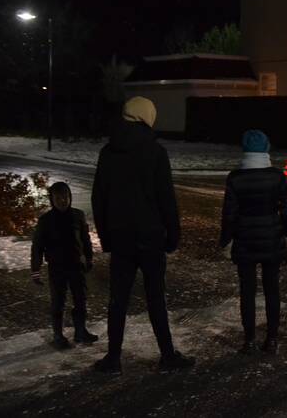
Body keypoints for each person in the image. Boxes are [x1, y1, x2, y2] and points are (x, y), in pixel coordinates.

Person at [91, 96, 194, 374]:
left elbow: (98, 198)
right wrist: (172, 236)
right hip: (151, 237)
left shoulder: (108, 151)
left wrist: (106, 237)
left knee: (118, 299)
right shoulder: (155, 152)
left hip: (121, 236)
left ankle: (113, 358)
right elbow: (166, 200)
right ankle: (167, 355)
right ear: (148, 117)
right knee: (155, 298)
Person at [219, 130, 287, 356]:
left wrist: (226, 239)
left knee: (247, 291)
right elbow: (286, 209)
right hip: (272, 238)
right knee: (272, 290)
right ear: (266, 149)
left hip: (244, 240)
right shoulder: (277, 176)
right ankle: (272, 338)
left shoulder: (235, 178)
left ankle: (249, 339)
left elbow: (229, 213)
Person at [31, 181, 98, 350]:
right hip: (57, 268)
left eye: (66, 196)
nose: (63, 200)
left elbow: (85, 239)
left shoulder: (78, 215)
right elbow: (37, 246)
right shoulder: (46, 220)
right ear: (52, 199)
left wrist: (89, 258)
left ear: (70, 197)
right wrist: (35, 269)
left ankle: (80, 331)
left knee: (80, 299)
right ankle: (58, 335)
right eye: (58, 197)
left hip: (76, 266)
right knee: (58, 302)